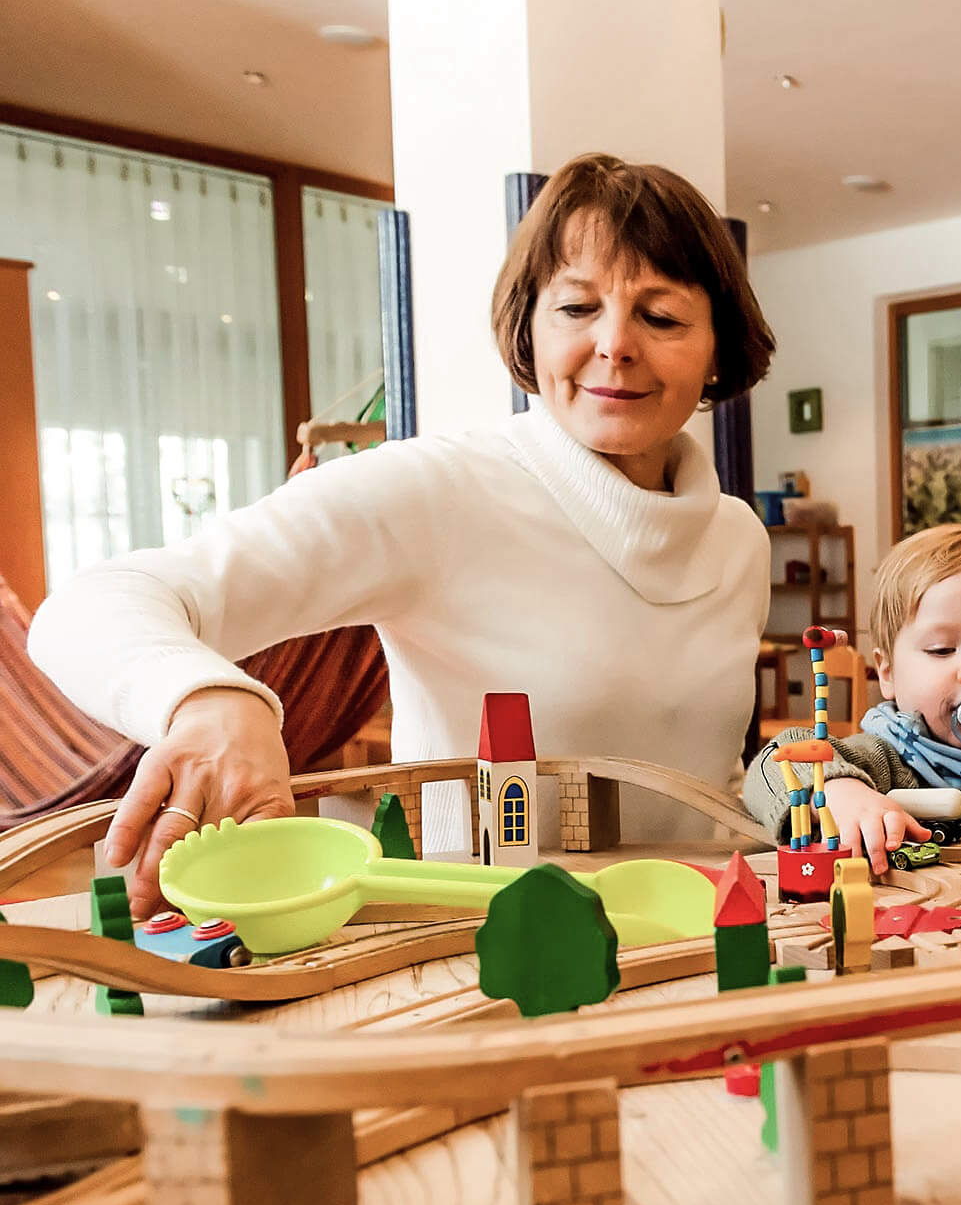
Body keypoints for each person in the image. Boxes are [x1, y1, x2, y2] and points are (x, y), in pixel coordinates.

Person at [29, 153, 775, 913]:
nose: (615, 343)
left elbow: (709, 786)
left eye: (662, 316)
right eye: (576, 308)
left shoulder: (738, 537)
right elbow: (91, 605)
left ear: (718, 346)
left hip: (703, 938)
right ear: (529, 327)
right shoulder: (439, 493)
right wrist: (212, 704)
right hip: (488, 952)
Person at [743, 524, 961, 875]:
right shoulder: (886, 759)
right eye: (941, 649)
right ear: (887, 673)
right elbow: (774, 760)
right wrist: (839, 790)